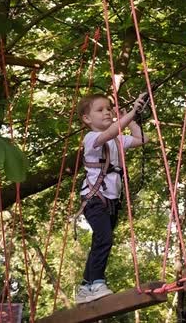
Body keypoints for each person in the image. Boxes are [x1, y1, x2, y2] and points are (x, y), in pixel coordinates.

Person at [74, 93, 149, 304]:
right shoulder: (90, 139)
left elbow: (142, 139)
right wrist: (131, 112)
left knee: (101, 240)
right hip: (94, 198)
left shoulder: (117, 139)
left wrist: (131, 119)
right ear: (87, 119)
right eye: (100, 110)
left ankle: (85, 286)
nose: (107, 112)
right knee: (104, 238)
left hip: (112, 201)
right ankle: (97, 281)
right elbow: (110, 132)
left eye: (109, 108)